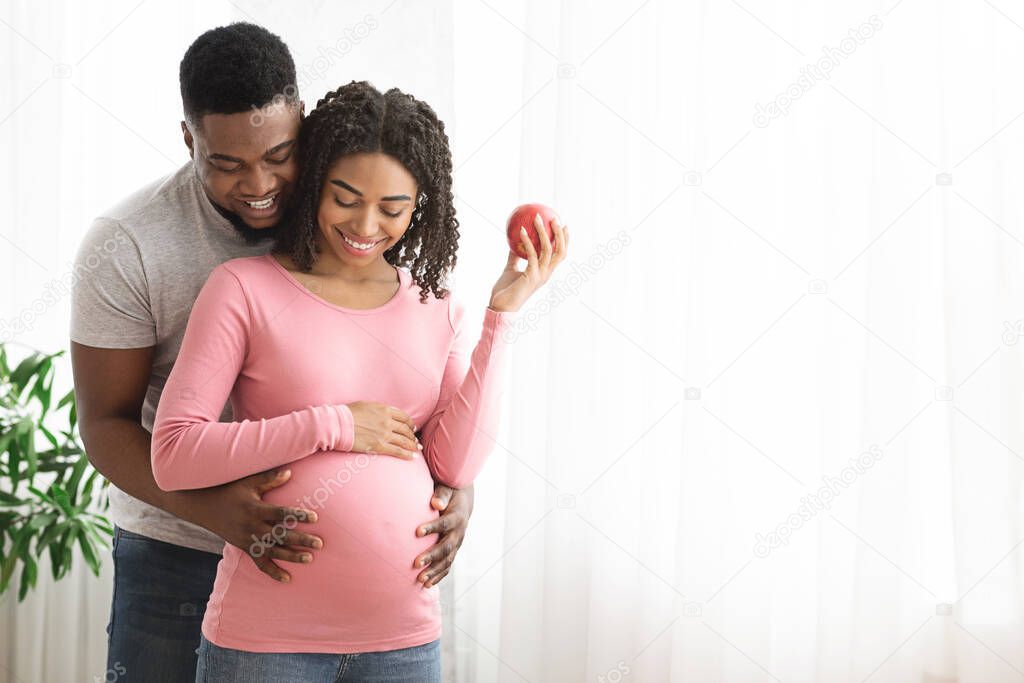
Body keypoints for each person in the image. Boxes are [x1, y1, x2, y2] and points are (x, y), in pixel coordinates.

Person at [70, 24, 474, 683]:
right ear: (188, 140)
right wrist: (213, 512)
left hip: (340, 589)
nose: (260, 183)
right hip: (173, 543)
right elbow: (105, 422)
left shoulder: (346, 212)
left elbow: (411, 373)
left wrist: (457, 485)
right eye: (227, 163)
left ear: (304, 130)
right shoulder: (129, 244)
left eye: (279, 155)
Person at [150, 80, 568, 682]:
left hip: (402, 641)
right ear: (316, 179)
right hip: (265, 642)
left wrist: (501, 317)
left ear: (420, 205)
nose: (366, 224)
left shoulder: (435, 303)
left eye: (392, 209)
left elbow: (455, 465)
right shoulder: (244, 288)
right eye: (345, 197)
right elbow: (175, 454)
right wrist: (334, 425)